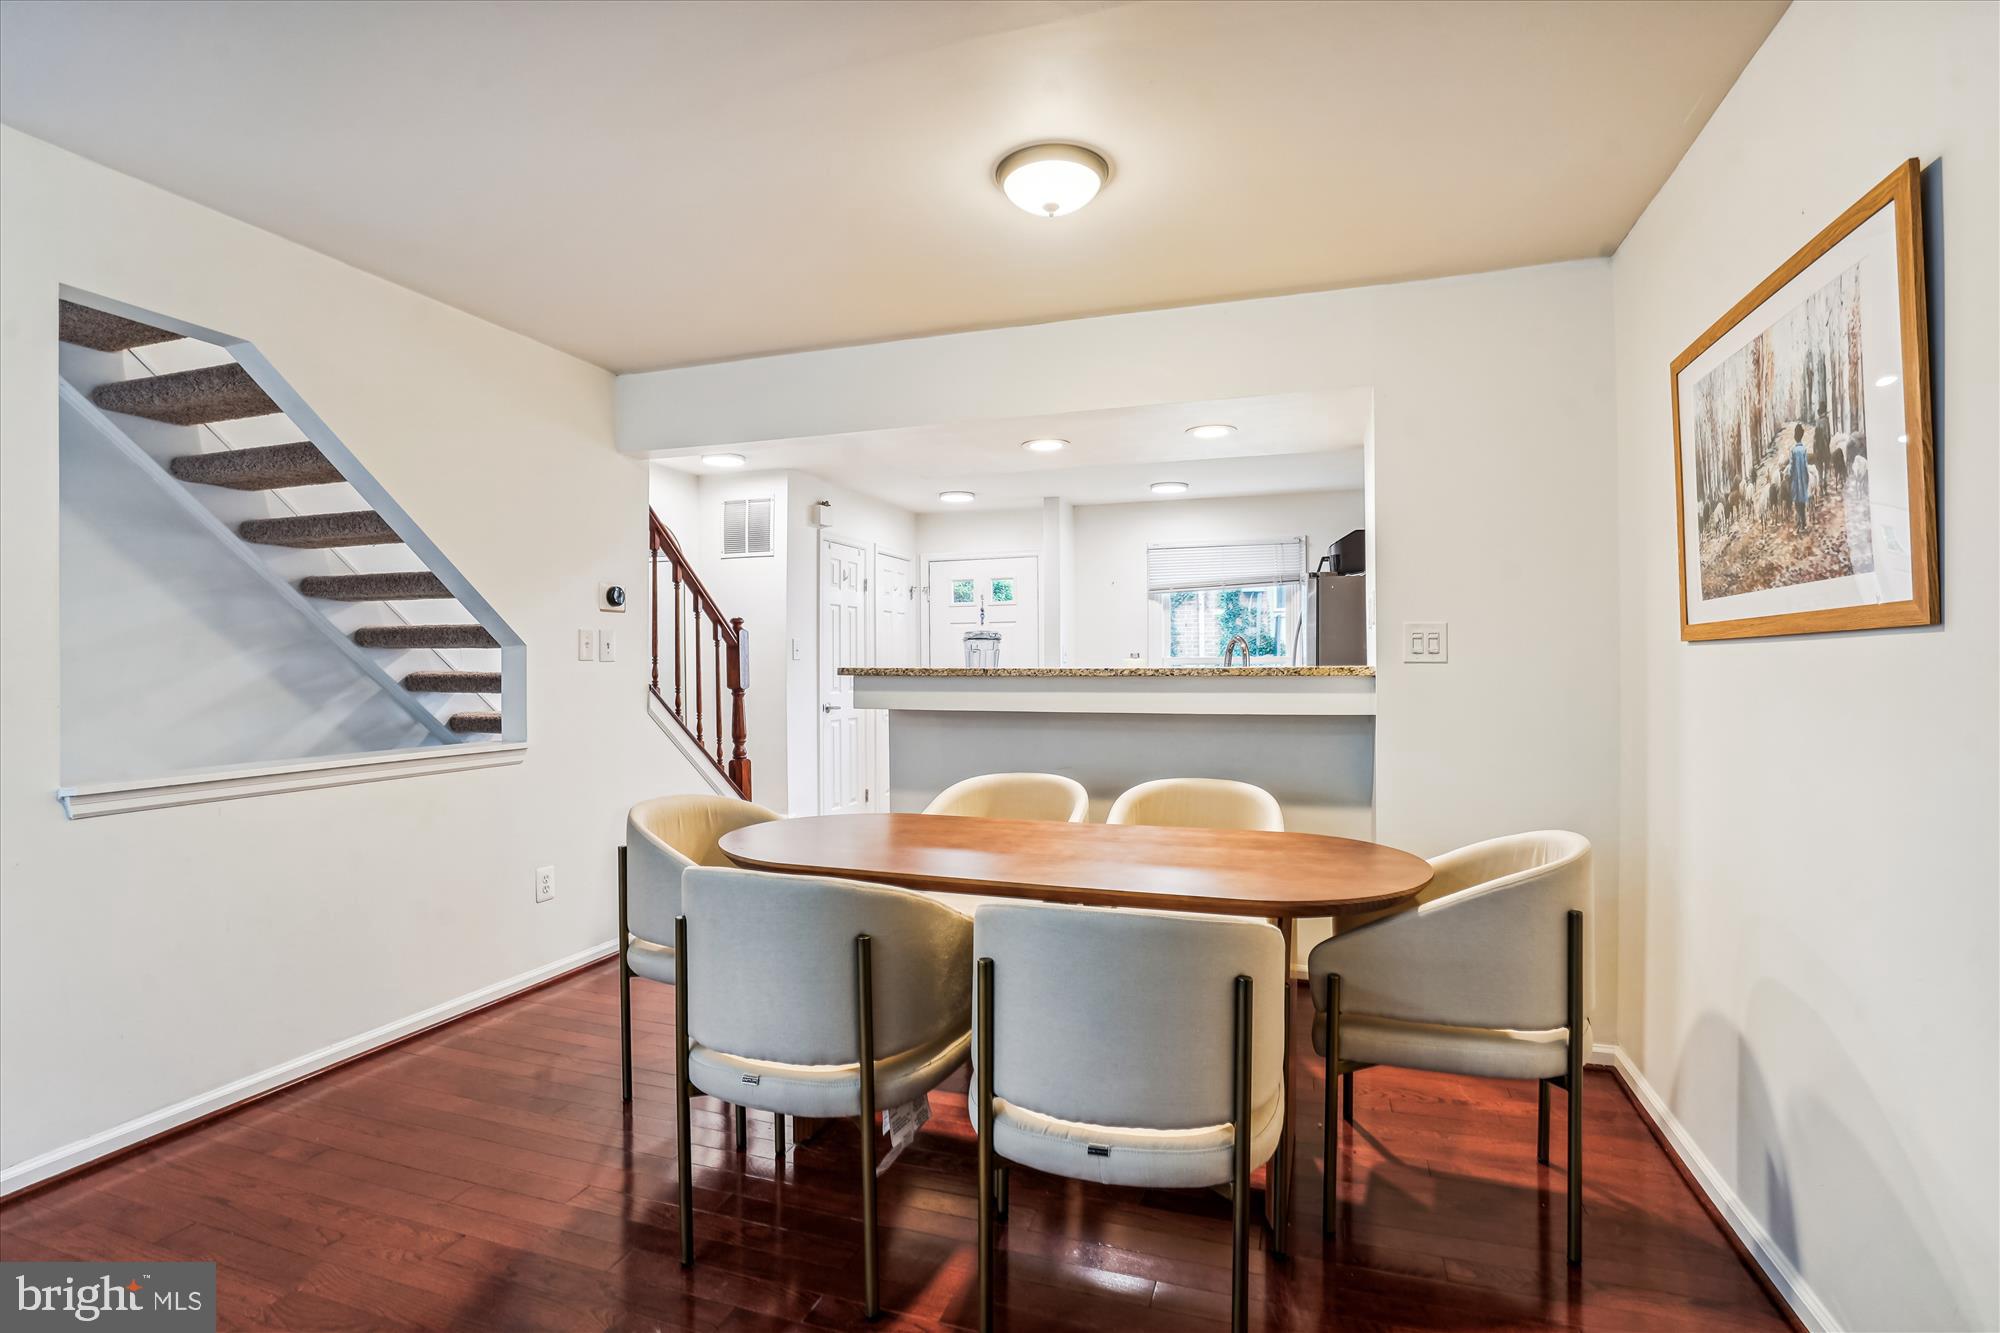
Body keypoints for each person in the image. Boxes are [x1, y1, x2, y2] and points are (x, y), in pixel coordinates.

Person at [1790, 423, 1810, 533]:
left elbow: (1791, 467)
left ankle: (1799, 523)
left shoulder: (1793, 450)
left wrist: (1789, 476)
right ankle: (1803, 523)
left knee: (1797, 502)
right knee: (1802, 501)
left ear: (1795, 436)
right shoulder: (1804, 450)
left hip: (1795, 480)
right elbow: (1806, 466)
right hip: (1803, 479)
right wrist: (1807, 478)